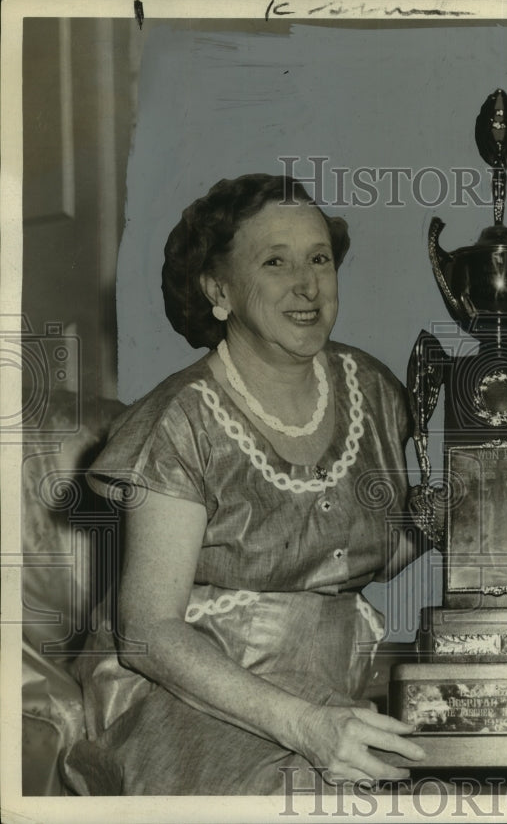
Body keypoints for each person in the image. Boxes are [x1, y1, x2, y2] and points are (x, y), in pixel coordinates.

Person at [61, 174, 426, 794]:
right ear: (218, 290)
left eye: (319, 259)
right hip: (186, 694)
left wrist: (472, 509)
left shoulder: (374, 389)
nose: (307, 286)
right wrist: (306, 726)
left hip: (329, 682)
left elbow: (370, 552)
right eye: (275, 263)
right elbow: (149, 634)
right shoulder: (182, 419)